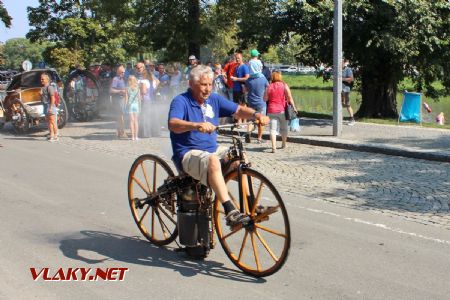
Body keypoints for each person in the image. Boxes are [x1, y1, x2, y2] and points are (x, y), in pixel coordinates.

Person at [168, 65, 270, 227]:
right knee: (213, 161)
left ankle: (251, 204)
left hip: (211, 149)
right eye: (203, 85)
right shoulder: (181, 101)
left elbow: (238, 110)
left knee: (239, 158)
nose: (207, 89)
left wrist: (256, 114)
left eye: (210, 84)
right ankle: (230, 210)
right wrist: (196, 125)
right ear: (191, 84)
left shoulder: (214, 99)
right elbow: (173, 124)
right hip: (187, 153)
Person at [264, 71, 297, 153]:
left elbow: (265, 99)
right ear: (280, 77)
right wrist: (294, 107)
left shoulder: (269, 86)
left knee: (272, 129)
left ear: (272, 77)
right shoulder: (284, 85)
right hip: (282, 110)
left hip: (271, 110)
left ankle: (273, 147)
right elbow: (289, 98)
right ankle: (283, 144)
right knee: (284, 128)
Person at [246, 59, 269, 143]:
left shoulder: (248, 80)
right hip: (261, 103)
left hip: (250, 102)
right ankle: (259, 138)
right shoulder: (263, 79)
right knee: (261, 121)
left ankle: (248, 134)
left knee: (250, 120)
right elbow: (268, 88)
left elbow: (245, 90)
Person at [110, 65, 127, 138]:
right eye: (122, 72)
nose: (123, 73)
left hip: (123, 99)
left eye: (124, 72)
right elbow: (111, 90)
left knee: (121, 116)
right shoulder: (115, 79)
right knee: (121, 116)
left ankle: (119, 131)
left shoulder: (123, 79)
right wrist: (120, 91)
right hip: (118, 99)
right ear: (118, 72)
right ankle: (122, 131)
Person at [40, 73, 58, 142]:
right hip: (45, 105)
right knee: (49, 122)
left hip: (50, 105)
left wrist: (51, 107)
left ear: (47, 80)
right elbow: (42, 99)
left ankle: (56, 135)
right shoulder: (42, 88)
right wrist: (40, 95)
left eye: (42, 79)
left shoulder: (49, 87)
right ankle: (51, 135)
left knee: (53, 121)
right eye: (41, 79)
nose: (41, 80)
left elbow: (53, 98)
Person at [125, 75, 141, 141]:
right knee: (136, 121)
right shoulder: (137, 88)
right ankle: (136, 136)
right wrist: (140, 106)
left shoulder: (127, 88)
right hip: (136, 105)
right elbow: (139, 99)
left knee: (131, 121)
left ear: (129, 80)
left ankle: (132, 137)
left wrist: (125, 106)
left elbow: (126, 99)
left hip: (130, 105)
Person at [342, 59, 355, 125]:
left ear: (344, 63)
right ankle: (339, 118)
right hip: (339, 90)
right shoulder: (338, 70)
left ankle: (352, 119)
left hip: (346, 89)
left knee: (347, 104)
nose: (340, 63)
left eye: (341, 62)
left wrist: (342, 79)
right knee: (339, 104)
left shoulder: (348, 69)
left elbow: (351, 79)